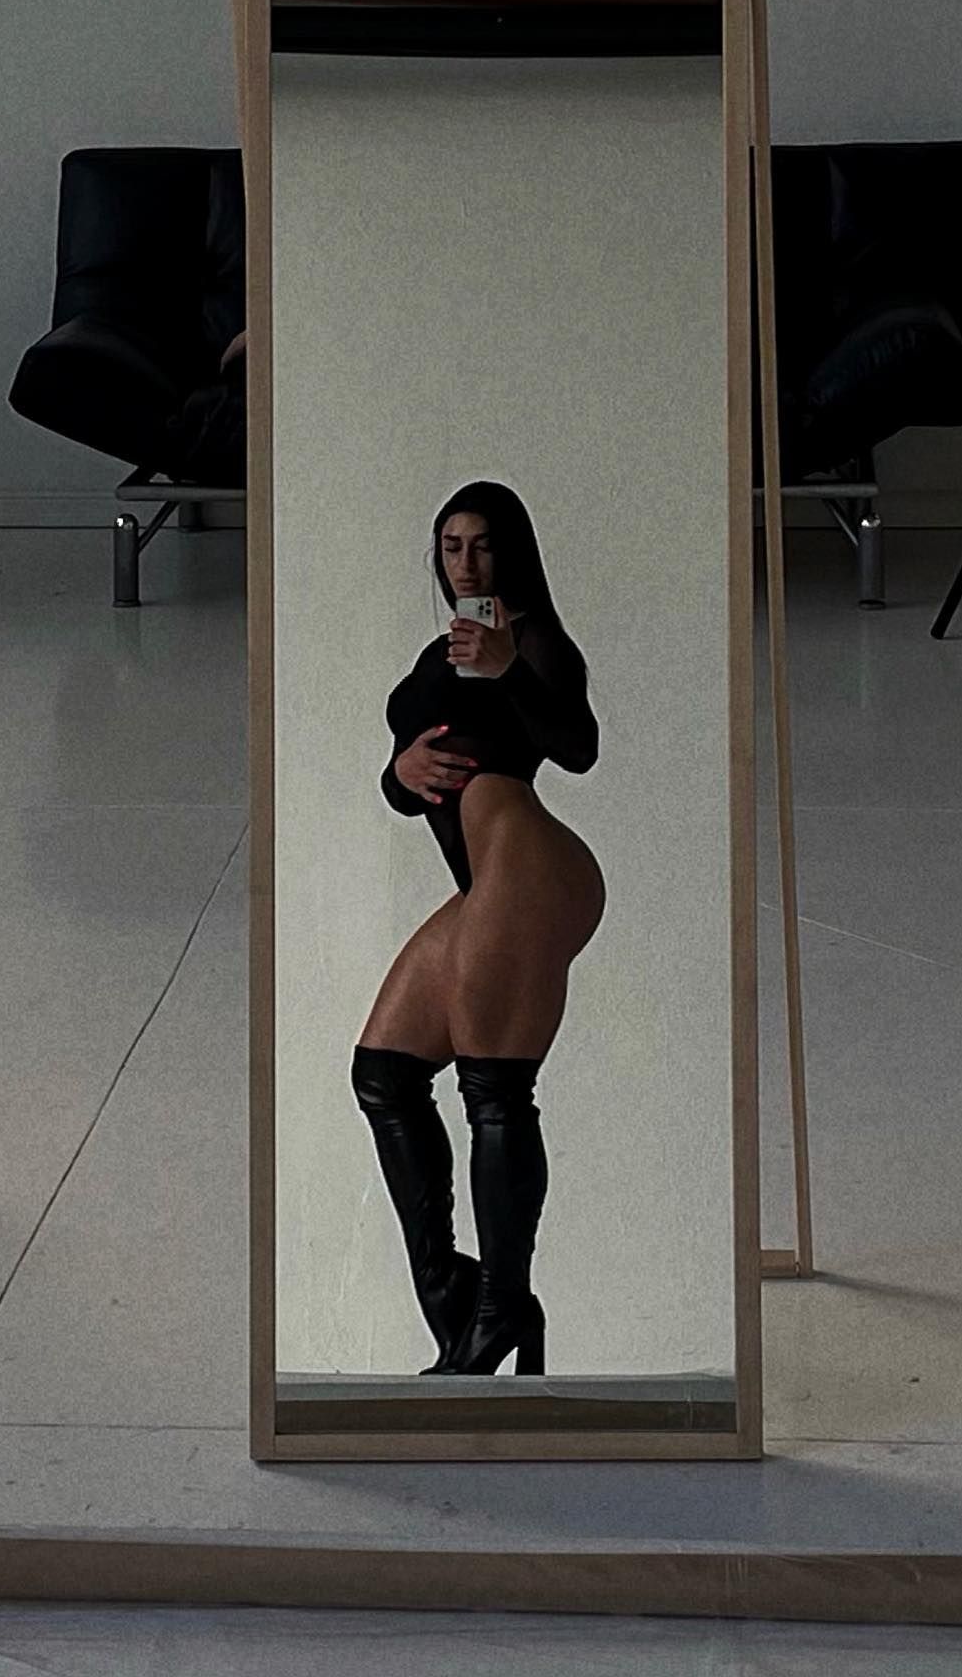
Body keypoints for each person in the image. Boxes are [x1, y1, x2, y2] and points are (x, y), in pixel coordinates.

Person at [350, 480, 606, 1378]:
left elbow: (577, 745)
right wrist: (397, 773)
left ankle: (501, 1306)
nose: (466, 562)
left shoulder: (531, 641)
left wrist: (508, 671)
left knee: (496, 1090)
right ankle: (456, 1299)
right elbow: (415, 776)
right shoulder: (440, 652)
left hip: (527, 863)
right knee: (384, 1074)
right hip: (486, 883)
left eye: (484, 544)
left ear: (513, 552)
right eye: (451, 546)